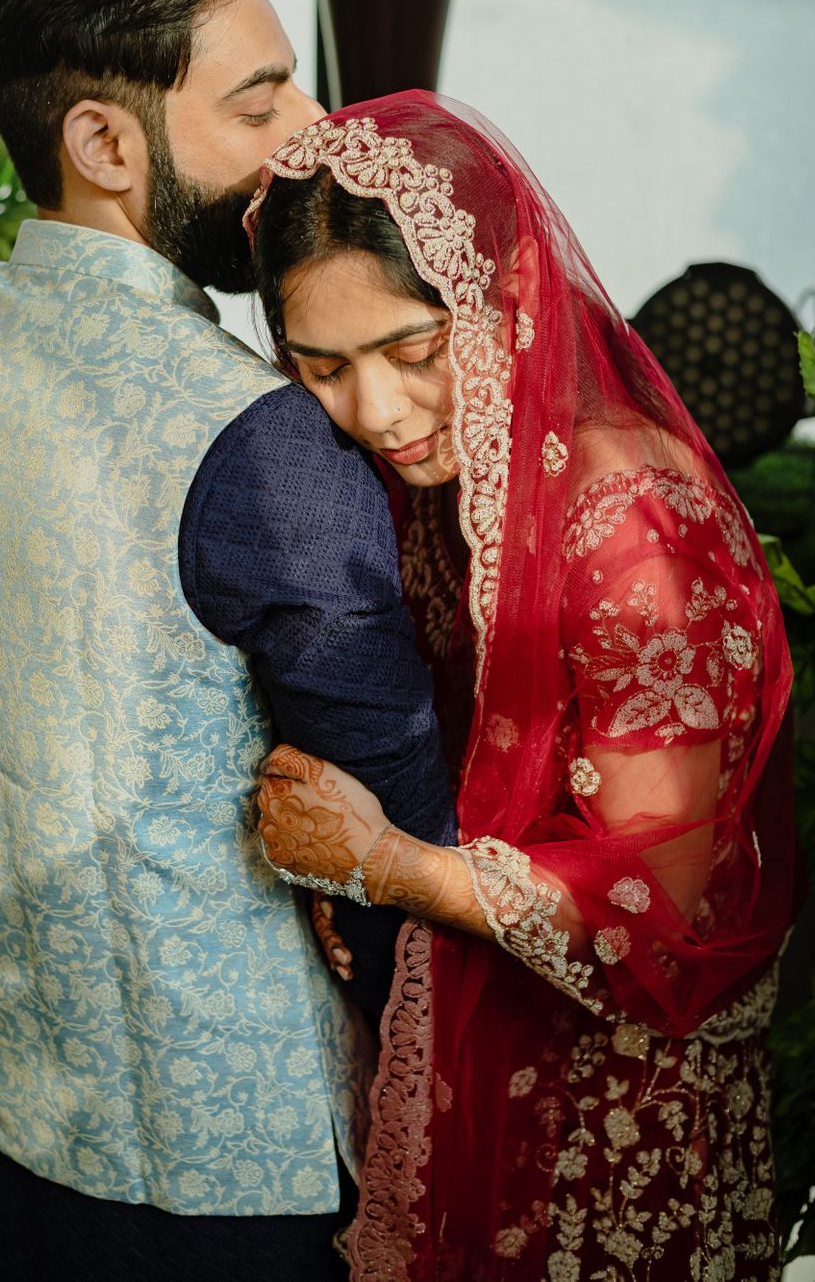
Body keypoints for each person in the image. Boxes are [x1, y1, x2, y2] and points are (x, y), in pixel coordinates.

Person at [0, 0, 454, 1281]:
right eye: (258, 104)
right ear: (105, 144)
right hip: (237, 1162)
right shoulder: (260, 436)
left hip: (9, 1098)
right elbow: (391, 829)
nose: (310, 127)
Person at [248, 89, 799, 1280]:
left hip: (615, 1107)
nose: (377, 410)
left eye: (414, 350)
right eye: (323, 367)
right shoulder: (441, 489)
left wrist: (386, 866)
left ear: (502, 298)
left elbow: (664, 902)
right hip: (488, 1056)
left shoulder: (627, 525)